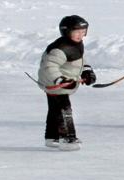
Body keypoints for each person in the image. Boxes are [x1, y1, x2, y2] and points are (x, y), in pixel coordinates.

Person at [39, 15, 96, 150]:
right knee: (65, 110)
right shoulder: (60, 48)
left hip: (61, 82)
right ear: (66, 31)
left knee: (55, 109)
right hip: (55, 83)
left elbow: (79, 60)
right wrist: (60, 80)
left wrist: (87, 71)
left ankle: (52, 137)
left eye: (83, 32)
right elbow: (49, 66)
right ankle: (67, 138)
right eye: (76, 32)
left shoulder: (75, 44)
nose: (80, 36)